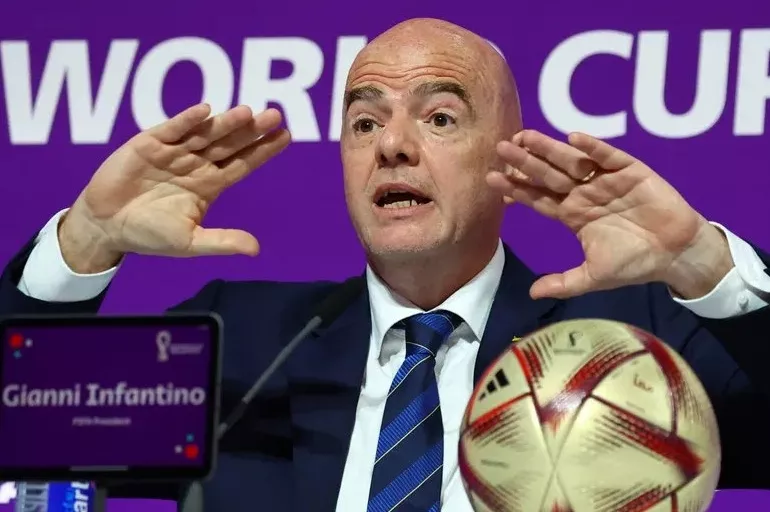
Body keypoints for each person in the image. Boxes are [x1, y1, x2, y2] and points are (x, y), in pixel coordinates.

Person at [1, 17, 769, 512]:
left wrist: (702, 262)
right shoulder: (247, 340)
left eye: (439, 117)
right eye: (364, 121)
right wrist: (84, 242)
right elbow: (21, 432)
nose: (392, 145)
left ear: (507, 155)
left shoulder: (627, 344)